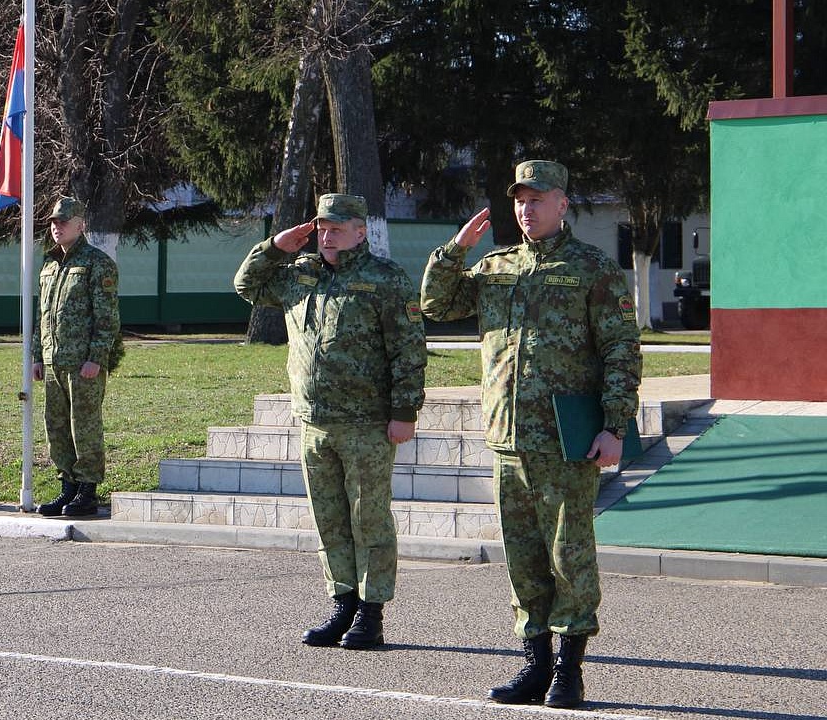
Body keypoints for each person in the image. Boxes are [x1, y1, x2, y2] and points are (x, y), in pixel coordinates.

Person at [421, 160, 642, 708]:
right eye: (520, 199)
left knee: (570, 556)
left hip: (567, 438)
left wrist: (615, 427)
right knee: (522, 557)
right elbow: (437, 304)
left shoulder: (591, 267)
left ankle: (570, 672)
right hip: (508, 436)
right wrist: (453, 252)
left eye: (538, 198)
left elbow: (621, 349)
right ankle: (535, 665)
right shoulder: (496, 266)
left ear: (563, 203)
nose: (527, 208)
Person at [234, 193, 426, 650]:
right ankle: (342, 603)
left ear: (361, 231)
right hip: (314, 422)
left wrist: (404, 412)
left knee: (368, 518)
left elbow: (408, 349)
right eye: (322, 226)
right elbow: (247, 285)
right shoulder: (299, 275)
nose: (327, 234)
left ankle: (371, 612)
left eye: (337, 227)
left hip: (367, 422)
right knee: (330, 520)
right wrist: (277, 245)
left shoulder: (384, 279)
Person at [31, 196, 121, 518]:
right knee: (55, 426)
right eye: (54, 222)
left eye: (63, 221)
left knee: (83, 426)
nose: (57, 227)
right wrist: (37, 355)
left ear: (80, 225)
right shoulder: (49, 265)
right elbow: (40, 315)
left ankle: (87, 490)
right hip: (54, 362)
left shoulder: (97, 263)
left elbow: (107, 318)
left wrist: (96, 357)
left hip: (83, 364)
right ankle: (67, 485)